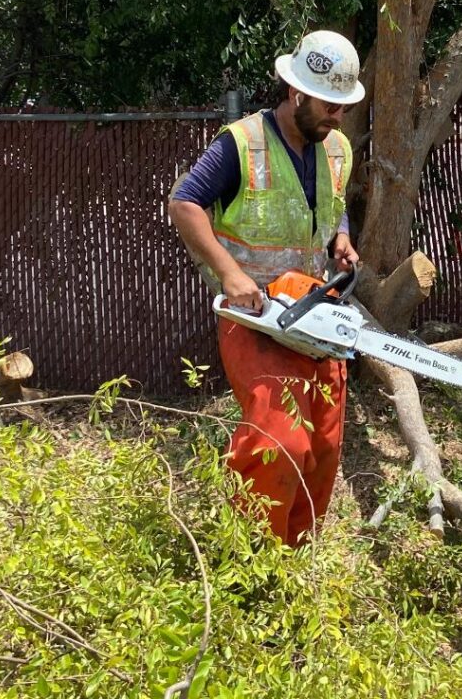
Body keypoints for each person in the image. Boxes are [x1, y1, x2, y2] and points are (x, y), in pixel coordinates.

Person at [169, 30, 364, 546]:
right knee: (279, 440)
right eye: (328, 105)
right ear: (296, 92)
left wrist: (340, 239)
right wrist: (231, 275)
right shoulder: (241, 144)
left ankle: (294, 558)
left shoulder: (337, 148)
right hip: (255, 317)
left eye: (343, 108)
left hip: (315, 312)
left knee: (322, 446)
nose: (336, 117)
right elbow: (184, 204)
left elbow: (332, 204)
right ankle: (252, 555)